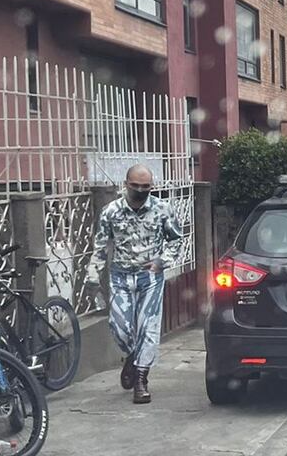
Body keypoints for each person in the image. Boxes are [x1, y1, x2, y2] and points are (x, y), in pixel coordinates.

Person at [85, 165, 183, 404]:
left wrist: (162, 261)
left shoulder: (162, 210)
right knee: (120, 326)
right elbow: (100, 246)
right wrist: (92, 277)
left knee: (148, 328)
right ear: (126, 184)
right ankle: (133, 356)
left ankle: (141, 379)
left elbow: (176, 241)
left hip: (149, 276)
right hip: (119, 276)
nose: (140, 190)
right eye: (136, 186)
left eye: (145, 187)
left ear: (152, 187)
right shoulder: (111, 212)